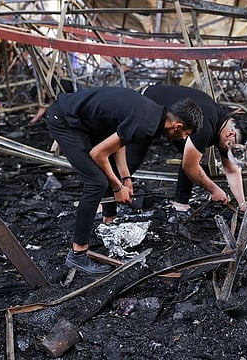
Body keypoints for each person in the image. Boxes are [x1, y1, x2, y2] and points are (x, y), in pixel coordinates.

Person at [46, 86, 203, 274]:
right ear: (178, 126)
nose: (184, 138)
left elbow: (119, 142)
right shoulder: (146, 123)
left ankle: (104, 225)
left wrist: (125, 177)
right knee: (97, 182)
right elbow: (98, 154)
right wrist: (117, 186)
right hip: (65, 120)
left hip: (82, 119)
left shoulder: (153, 113)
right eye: (185, 133)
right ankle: (77, 254)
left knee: (105, 173)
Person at [141, 84, 247, 216]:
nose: (229, 150)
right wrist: (214, 190)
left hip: (174, 113)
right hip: (148, 102)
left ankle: (180, 203)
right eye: (231, 147)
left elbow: (231, 170)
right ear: (230, 134)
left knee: (190, 154)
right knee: (134, 153)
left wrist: (242, 203)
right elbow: (190, 166)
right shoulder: (205, 127)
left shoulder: (225, 130)